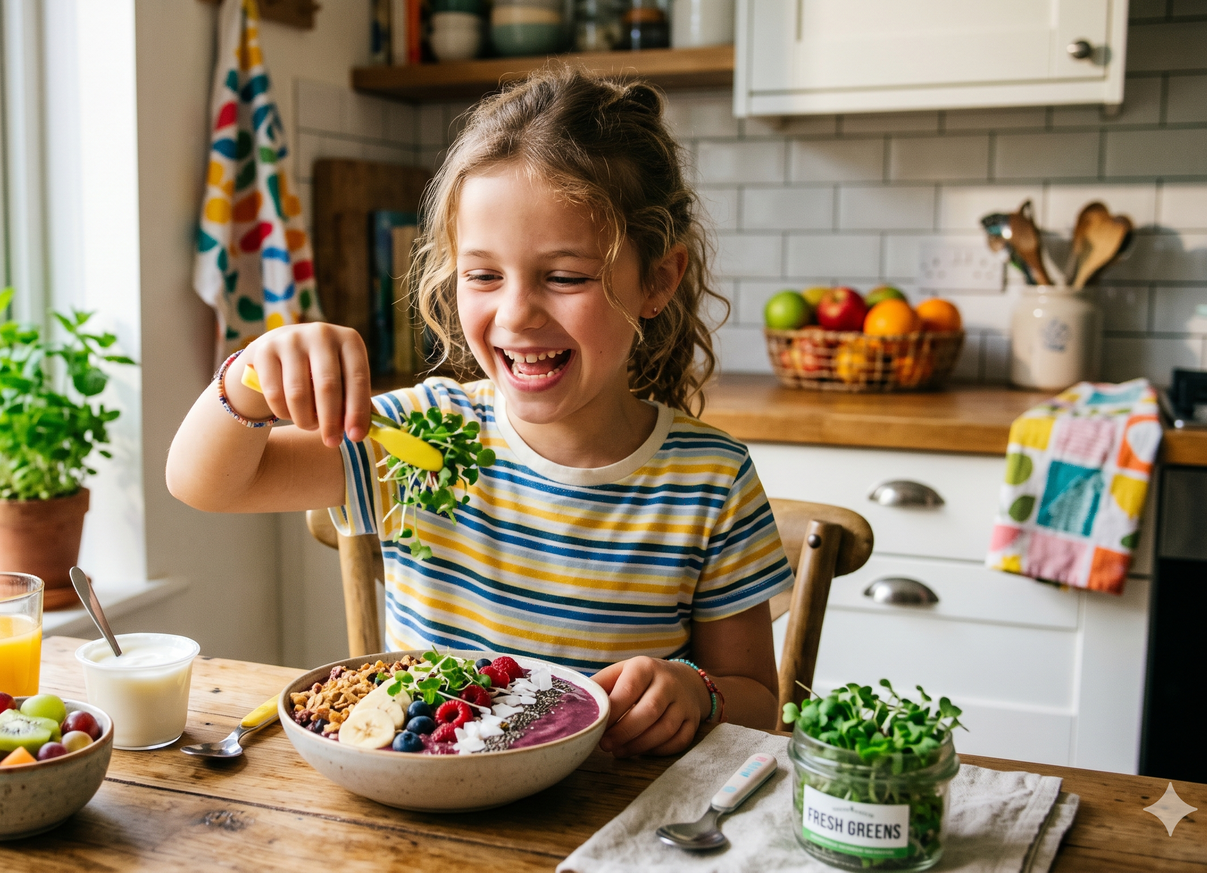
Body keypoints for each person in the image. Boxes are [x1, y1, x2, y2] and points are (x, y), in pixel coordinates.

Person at [168, 67, 792, 755]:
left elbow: (760, 702)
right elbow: (204, 483)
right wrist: (250, 378)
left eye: (565, 277)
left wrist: (697, 691)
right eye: (484, 275)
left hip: (609, 816)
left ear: (656, 280)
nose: (517, 312)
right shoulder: (414, 440)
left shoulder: (710, 480)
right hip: (430, 815)